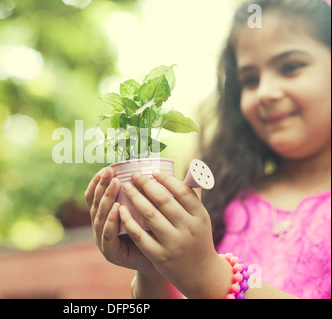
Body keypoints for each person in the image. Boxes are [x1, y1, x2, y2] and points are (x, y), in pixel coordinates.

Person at [85, 0, 331, 299]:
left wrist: (209, 275)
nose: (265, 92)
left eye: (290, 67)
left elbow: (204, 278)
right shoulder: (228, 198)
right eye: (250, 80)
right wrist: (153, 268)